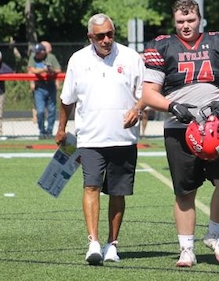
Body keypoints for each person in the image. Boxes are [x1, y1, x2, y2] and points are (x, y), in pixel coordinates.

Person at [142, 0, 219, 267]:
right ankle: (186, 248)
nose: (185, 26)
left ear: (200, 19)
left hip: (217, 125)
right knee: (185, 191)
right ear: (174, 22)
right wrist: (173, 106)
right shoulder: (161, 46)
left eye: (190, 21)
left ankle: (214, 235)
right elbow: (149, 94)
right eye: (180, 22)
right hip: (180, 128)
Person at [55, 13, 145, 265]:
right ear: (90, 37)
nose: (106, 39)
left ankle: (112, 244)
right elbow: (67, 99)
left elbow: (144, 94)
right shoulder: (78, 59)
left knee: (118, 192)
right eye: (100, 36)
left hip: (123, 139)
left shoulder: (131, 57)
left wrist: (137, 110)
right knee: (91, 186)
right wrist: (61, 129)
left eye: (110, 34)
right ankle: (93, 242)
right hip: (90, 138)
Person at [28, 42, 61, 139]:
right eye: (36, 52)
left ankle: (49, 132)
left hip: (50, 86)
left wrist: (52, 71)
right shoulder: (33, 57)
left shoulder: (51, 57)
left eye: (38, 52)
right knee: (40, 111)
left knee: (52, 110)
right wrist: (43, 70)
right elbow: (32, 70)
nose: (37, 54)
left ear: (43, 52)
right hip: (39, 87)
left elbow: (58, 69)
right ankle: (42, 131)